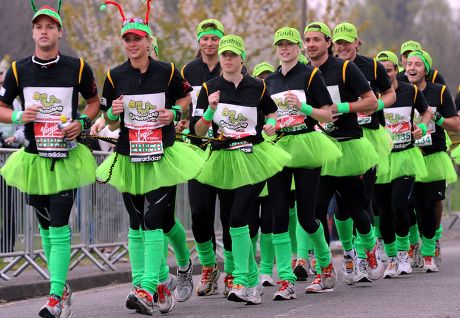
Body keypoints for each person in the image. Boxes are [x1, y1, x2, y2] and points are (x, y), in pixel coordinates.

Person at [96, 0, 204, 314]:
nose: (132, 44)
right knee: (136, 223)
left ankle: (146, 288)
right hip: (129, 156)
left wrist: (172, 111)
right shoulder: (115, 75)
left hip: (161, 155)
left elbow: (186, 96)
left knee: (154, 220)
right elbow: (113, 123)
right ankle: (152, 283)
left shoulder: (168, 71)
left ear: (147, 41)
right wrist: (113, 114)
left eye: (137, 38)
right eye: (127, 39)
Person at [0, 3, 100, 317]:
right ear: (33, 32)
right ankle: (62, 286)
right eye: (39, 27)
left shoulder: (78, 67)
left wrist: (81, 124)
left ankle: (55, 297)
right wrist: (17, 114)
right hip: (32, 159)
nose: (44, 31)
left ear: (59, 31)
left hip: (66, 158)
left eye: (50, 26)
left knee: (59, 227)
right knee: (45, 228)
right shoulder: (18, 69)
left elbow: (94, 103)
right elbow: (1, 107)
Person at [193, 34, 291, 305]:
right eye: (224, 55)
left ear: (241, 58)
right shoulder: (209, 87)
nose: (227, 59)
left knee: (237, 218)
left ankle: (244, 279)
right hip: (222, 159)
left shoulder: (257, 87)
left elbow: (271, 112)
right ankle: (248, 281)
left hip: (253, 157)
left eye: (232, 55)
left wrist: (272, 123)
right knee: (232, 219)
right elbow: (198, 131)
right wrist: (211, 110)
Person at [303, 22, 384, 291]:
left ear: (327, 43)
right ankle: (325, 268)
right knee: (314, 211)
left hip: (348, 146)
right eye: (307, 40)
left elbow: (371, 101)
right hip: (319, 148)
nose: (311, 44)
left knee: (355, 210)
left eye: (317, 39)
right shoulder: (303, 73)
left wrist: (342, 107)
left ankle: (368, 249)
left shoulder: (345, 69)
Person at [265, 27, 341, 299]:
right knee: (279, 216)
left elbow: (329, 115)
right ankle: (285, 279)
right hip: (279, 149)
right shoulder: (270, 81)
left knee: (308, 217)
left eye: (289, 44)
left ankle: (325, 265)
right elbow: (268, 116)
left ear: (297, 47)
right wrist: (270, 125)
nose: (284, 49)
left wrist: (304, 109)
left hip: (307, 146)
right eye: (280, 45)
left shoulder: (310, 75)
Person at [332, 22, 395, 283]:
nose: (343, 46)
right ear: (332, 44)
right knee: (340, 203)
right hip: (335, 139)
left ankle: (363, 251)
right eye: (339, 42)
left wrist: (376, 104)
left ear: (358, 43)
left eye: (348, 41)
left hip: (367, 138)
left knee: (362, 197)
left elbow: (391, 93)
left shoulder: (372, 66)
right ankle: (350, 253)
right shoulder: (326, 67)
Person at [373, 50, 432, 278]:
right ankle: (390, 258)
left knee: (399, 205)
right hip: (381, 159)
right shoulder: (372, 94)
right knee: (383, 210)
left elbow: (426, 113)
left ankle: (403, 253)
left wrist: (423, 127)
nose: (385, 74)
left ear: (396, 70)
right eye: (381, 71)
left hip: (405, 155)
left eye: (388, 69)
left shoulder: (411, 91)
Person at [180, 18, 225, 297]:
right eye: (205, 38)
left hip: (227, 148)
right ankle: (208, 267)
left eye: (215, 38)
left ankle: (233, 270)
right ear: (199, 41)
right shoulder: (187, 71)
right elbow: (181, 105)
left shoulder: (232, 66)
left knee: (232, 214)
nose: (209, 44)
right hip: (196, 148)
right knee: (199, 213)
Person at [406, 51, 460, 272]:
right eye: (409, 63)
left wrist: (434, 117)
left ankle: (429, 251)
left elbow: (456, 124)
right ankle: (412, 245)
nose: (412, 68)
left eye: (417, 64)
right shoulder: (400, 90)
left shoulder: (440, 92)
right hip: (408, 155)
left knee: (428, 205)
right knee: (409, 205)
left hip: (433, 155)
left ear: (426, 70)